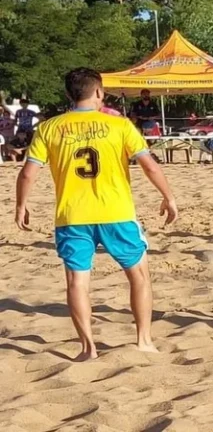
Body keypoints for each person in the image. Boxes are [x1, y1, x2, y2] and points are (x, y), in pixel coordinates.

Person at [15, 68, 178, 361]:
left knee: (77, 282)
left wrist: (21, 205)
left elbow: (28, 174)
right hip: (116, 212)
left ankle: (88, 348)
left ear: (68, 95)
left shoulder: (49, 128)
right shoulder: (120, 126)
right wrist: (168, 197)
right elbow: (150, 165)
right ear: (99, 92)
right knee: (139, 275)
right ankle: (143, 340)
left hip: (72, 216)